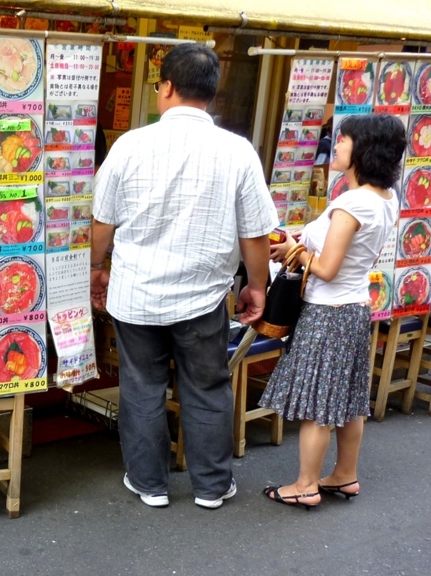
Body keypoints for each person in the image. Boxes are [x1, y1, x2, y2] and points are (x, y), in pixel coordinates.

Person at [90, 43, 277, 510]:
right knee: (206, 386)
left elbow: (102, 222)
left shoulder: (130, 145)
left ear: (167, 87)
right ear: (210, 94)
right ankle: (212, 486)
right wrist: (257, 286)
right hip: (202, 295)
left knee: (141, 386)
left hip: (135, 293)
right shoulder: (238, 151)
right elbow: (256, 234)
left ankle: (149, 483)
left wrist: (96, 268)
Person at [262, 115, 405, 510]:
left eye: (343, 139)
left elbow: (325, 268)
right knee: (347, 400)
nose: (336, 145)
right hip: (356, 308)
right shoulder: (385, 199)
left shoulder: (353, 203)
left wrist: (295, 252)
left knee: (317, 405)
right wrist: (298, 241)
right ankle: (344, 475)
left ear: (364, 148)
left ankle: (306, 485)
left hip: (328, 313)